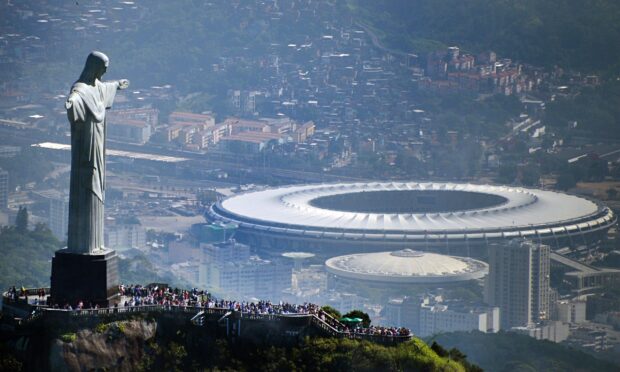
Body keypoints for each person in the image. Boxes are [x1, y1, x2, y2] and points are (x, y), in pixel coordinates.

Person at [65, 51, 129, 254]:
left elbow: (105, 88)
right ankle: (84, 245)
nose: (104, 72)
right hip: (86, 147)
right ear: (93, 67)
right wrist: (72, 103)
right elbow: (75, 98)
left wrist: (117, 84)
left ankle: (95, 244)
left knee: (98, 187)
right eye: (102, 68)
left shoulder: (97, 87)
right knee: (87, 184)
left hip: (99, 145)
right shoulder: (81, 89)